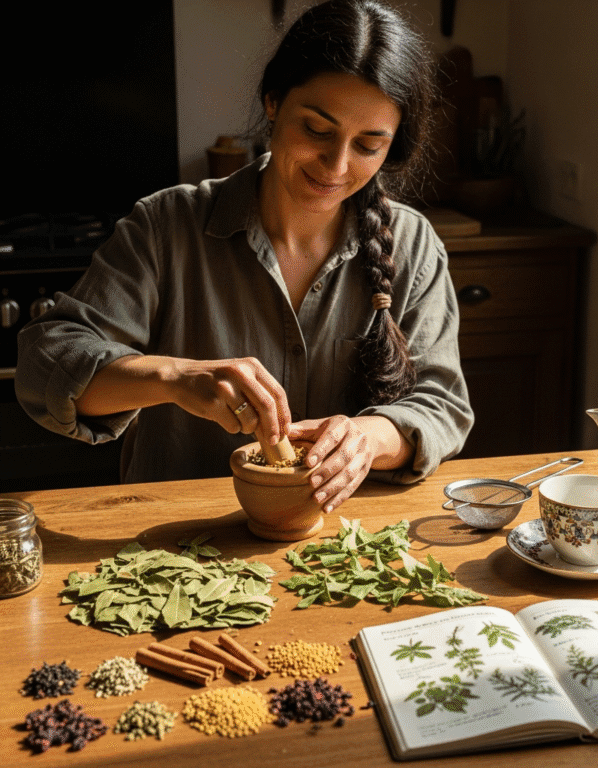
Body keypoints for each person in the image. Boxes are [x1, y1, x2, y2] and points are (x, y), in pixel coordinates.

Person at [14, 0, 473, 514]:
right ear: (273, 102)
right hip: (177, 547)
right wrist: (174, 378)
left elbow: (443, 406)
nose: (336, 165)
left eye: (368, 145)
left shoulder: (412, 245)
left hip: (342, 547)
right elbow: (43, 364)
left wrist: (371, 437)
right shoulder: (165, 227)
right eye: (317, 131)